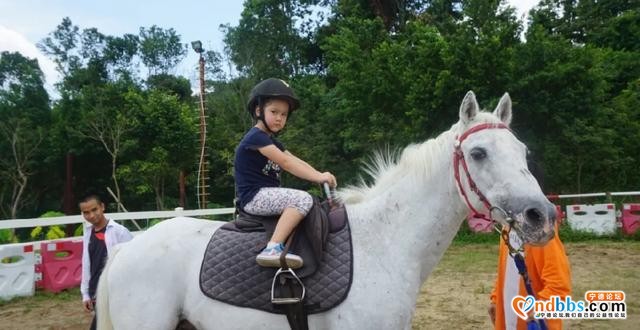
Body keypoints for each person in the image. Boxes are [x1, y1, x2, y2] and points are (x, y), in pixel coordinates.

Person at [234, 78, 337, 269]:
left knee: (307, 201)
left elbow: (297, 160)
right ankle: (272, 248)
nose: (279, 118)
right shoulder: (256, 137)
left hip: (264, 195)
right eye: (274, 112)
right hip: (254, 197)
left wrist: (319, 173)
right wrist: (318, 177)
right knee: (302, 200)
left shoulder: (273, 142)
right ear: (258, 111)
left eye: (284, 114)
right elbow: (287, 163)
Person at [488, 158, 571, 330]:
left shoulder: (541, 233)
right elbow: (506, 271)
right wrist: (496, 299)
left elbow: (558, 283)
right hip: (509, 319)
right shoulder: (507, 227)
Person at [79, 192, 133, 330]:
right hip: (96, 291)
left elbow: (132, 262)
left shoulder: (119, 232)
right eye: (86, 212)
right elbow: (86, 264)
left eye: (94, 209)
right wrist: (86, 293)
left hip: (115, 290)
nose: (91, 215)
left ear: (102, 207)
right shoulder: (87, 233)